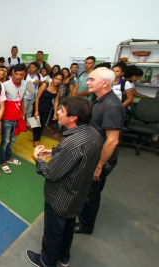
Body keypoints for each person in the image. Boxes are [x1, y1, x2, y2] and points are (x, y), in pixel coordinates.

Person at [26, 97, 102, 267]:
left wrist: (37, 159)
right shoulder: (93, 134)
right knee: (68, 227)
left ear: (73, 117)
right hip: (79, 193)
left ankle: (46, 261)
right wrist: (53, 152)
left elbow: (51, 173)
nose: (58, 112)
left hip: (61, 196)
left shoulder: (71, 143)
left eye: (62, 110)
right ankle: (63, 257)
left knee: (54, 231)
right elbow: (76, 156)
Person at [75, 67, 125, 235]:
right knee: (86, 189)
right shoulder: (98, 100)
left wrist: (99, 165)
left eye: (91, 80)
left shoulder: (112, 106)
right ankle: (82, 217)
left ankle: (86, 226)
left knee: (91, 193)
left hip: (100, 159)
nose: (87, 82)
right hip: (92, 155)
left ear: (105, 82)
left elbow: (112, 140)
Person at [0, 64, 27, 174]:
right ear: (12, 73)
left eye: (21, 74)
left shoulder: (25, 84)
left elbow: (22, 99)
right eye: (16, 73)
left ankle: (8, 157)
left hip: (18, 117)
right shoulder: (5, 85)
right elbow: (0, 102)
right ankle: (2, 161)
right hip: (7, 117)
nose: (18, 76)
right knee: (5, 140)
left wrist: (23, 113)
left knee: (13, 140)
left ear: (25, 74)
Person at [32, 72, 62, 147]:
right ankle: (35, 140)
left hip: (47, 108)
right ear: (53, 78)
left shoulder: (58, 89)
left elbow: (56, 101)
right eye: (56, 78)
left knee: (42, 125)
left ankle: (38, 139)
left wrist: (55, 113)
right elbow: (37, 97)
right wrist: (36, 111)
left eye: (60, 80)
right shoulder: (45, 85)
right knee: (35, 124)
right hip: (37, 106)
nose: (57, 81)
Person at [53, 68, 74, 138]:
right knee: (55, 115)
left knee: (60, 117)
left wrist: (67, 101)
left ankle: (58, 132)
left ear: (69, 73)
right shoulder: (59, 81)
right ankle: (56, 129)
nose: (65, 73)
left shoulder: (71, 81)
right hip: (56, 100)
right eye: (63, 72)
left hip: (63, 102)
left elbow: (71, 91)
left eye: (66, 72)